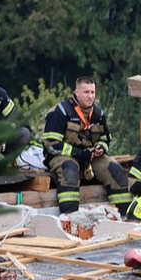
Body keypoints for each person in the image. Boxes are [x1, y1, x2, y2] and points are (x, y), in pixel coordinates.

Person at [40, 77, 130, 214]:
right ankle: (70, 218)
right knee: (69, 170)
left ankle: (122, 215)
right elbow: (51, 144)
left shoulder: (98, 114)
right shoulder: (60, 112)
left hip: (91, 156)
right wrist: (79, 153)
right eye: (86, 92)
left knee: (115, 170)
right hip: (62, 156)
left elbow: (106, 138)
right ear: (77, 92)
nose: (90, 96)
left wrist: (101, 148)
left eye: (93, 92)